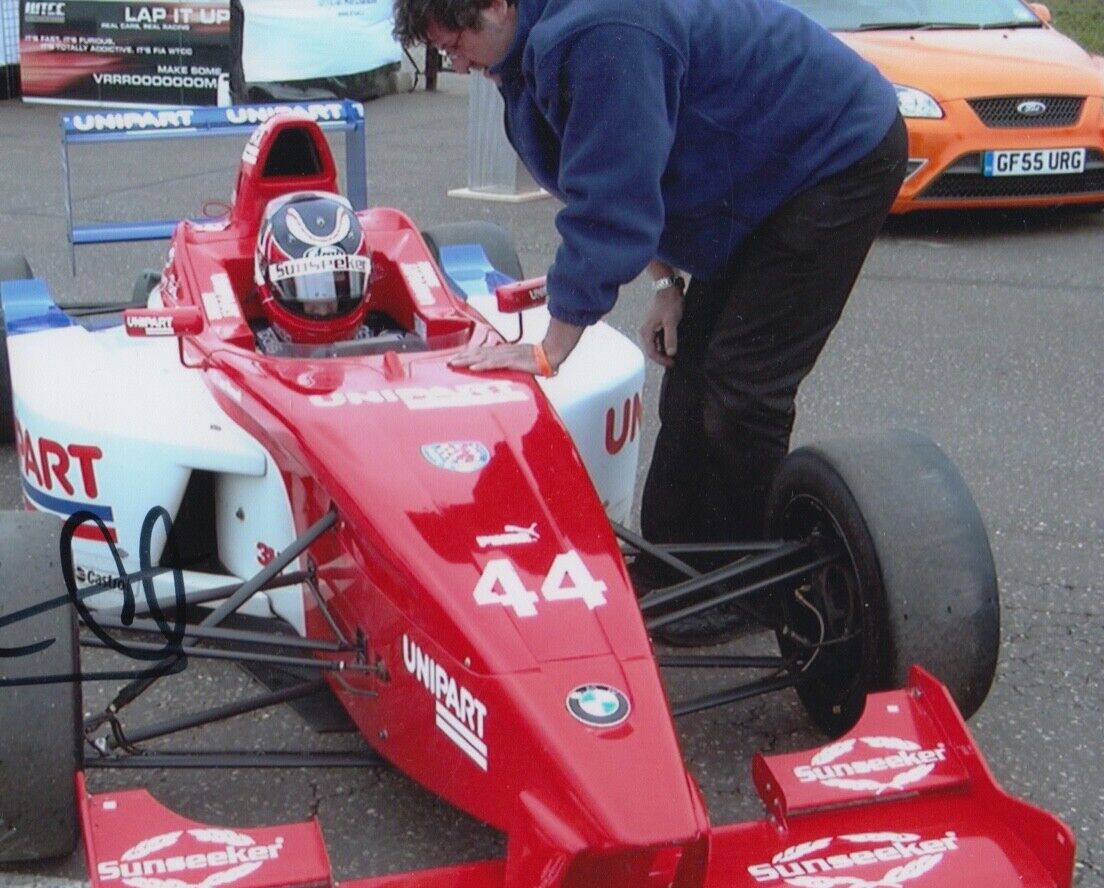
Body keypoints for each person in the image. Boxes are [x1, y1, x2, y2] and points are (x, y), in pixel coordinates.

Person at [393, 0, 908, 642]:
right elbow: (634, 163)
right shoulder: (526, 52)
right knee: (693, 370)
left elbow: (616, 199)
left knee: (743, 387)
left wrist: (551, 345)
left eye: (460, 43)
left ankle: (750, 589)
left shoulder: (603, 32)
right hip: (753, 167)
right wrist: (666, 284)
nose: (457, 61)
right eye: (443, 53)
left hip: (832, 156)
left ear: (499, 5)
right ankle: (675, 566)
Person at [252, 190, 397, 354]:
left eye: (338, 287)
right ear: (270, 285)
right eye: (312, 290)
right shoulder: (247, 354)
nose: (323, 310)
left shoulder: (378, 338)